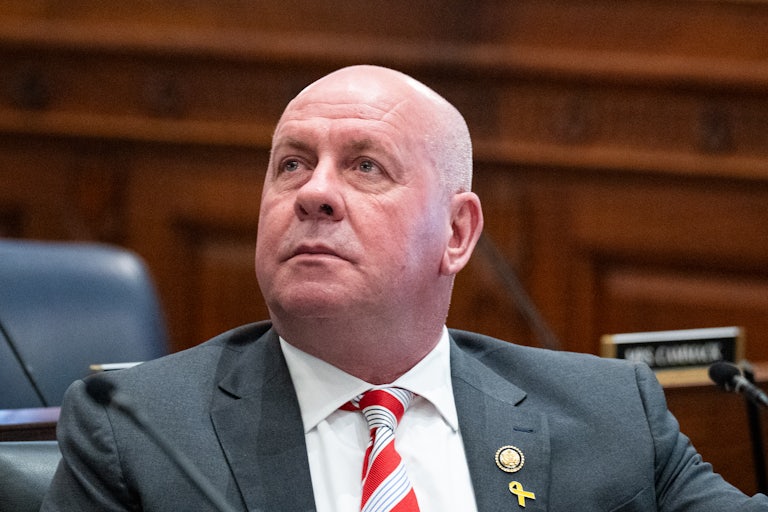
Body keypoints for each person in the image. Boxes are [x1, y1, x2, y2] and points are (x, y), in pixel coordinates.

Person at [41, 65, 767, 511]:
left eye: (364, 167)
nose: (314, 193)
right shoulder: (140, 431)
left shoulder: (609, 415)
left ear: (456, 234)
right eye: (292, 164)